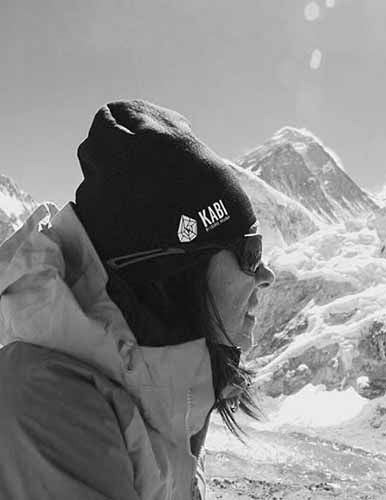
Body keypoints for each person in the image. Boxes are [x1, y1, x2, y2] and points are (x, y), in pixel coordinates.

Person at [0, 100, 275, 500]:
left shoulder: (166, 393)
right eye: (250, 253)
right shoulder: (48, 403)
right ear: (178, 270)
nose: (266, 275)